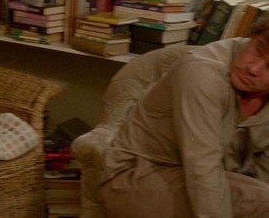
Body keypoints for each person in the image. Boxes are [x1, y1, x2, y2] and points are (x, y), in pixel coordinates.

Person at [101, 17, 269, 217]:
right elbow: (201, 166)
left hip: (219, 177)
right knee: (263, 201)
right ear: (252, 37)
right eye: (258, 49)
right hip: (137, 176)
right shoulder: (202, 73)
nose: (253, 69)